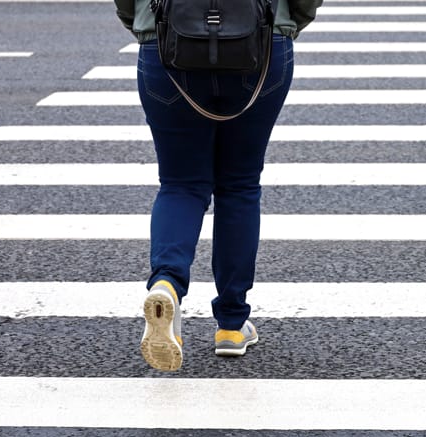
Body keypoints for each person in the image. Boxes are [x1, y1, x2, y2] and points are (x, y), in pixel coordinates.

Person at [114, 0, 321, 371]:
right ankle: (231, 324)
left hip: (166, 38)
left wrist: (142, 22)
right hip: (263, 35)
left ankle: (166, 284)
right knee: (240, 184)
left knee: (180, 183)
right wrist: (290, 21)